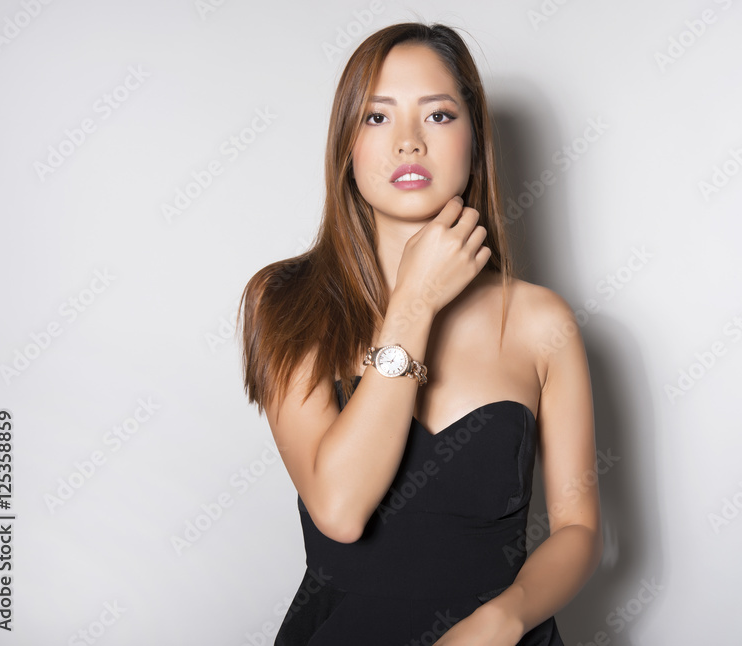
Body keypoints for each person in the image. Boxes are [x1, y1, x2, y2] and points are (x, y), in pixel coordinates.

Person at [237, 21, 602, 645]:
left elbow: (579, 529)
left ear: (474, 139)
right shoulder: (286, 301)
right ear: (346, 145)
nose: (408, 141)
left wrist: (503, 620)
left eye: (437, 115)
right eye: (377, 117)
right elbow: (340, 510)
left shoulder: (542, 321)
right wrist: (415, 301)